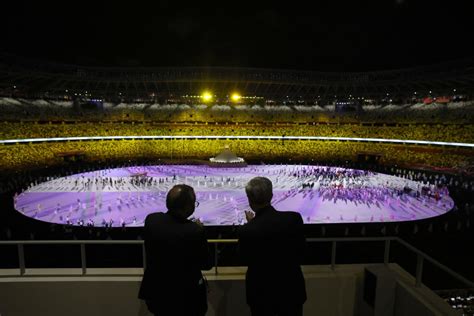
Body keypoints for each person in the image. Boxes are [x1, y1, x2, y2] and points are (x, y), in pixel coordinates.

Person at [139, 184, 212, 316]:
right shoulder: (195, 231)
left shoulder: (152, 220)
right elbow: (206, 264)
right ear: (188, 207)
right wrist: (197, 228)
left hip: (158, 293)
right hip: (187, 297)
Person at [239, 177, 306, 316]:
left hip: (261, 295)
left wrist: (252, 224)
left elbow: (244, 259)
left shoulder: (247, 230)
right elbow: (301, 252)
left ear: (249, 200)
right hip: (291, 292)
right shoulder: (294, 219)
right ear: (271, 195)